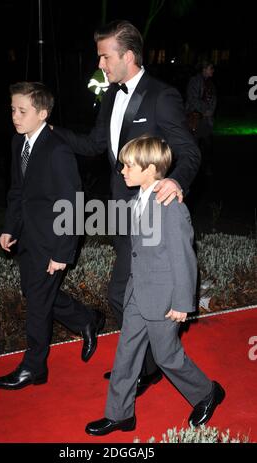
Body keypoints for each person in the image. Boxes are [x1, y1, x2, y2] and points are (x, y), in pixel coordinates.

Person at [53, 20, 201, 396]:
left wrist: (176, 180)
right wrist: (50, 133)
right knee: (123, 296)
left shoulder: (161, 95)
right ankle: (146, 367)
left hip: (154, 214)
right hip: (122, 213)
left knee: (125, 294)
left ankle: (153, 366)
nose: (101, 63)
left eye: (105, 56)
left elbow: (189, 151)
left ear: (128, 56)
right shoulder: (110, 96)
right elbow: (92, 145)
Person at [86, 135, 225, 436]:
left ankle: (207, 392)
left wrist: (181, 302)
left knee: (166, 357)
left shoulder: (171, 206)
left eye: (128, 165)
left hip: (164, 296)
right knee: (126, 351)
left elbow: (184, 257)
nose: (122, 170)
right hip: (138, 291)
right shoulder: (138, 199)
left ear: (150, 169)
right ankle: (120, 414)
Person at [0, 81, 105, 390]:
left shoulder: (58, 150)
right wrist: (9, 227)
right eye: (13, 109)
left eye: (23, 111)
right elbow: (18, 191)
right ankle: (86, 320)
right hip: (28, 236)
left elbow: (73, 202)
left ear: (42, 114)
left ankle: (33, 367)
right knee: (36, 294)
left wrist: (62, 253)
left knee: (38, 304)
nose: (15, 116)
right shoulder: (19, 143)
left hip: (54, 239)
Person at [185, 60, 217, 175]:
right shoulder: (195, 81)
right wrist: (205, 110)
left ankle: (204, 168)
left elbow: (214, 99)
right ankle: (194, 170)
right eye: (210, 68)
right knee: (195, 145)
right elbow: (192, 99)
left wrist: (210, 111)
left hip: (205, 119)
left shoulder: (210, 83)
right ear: (204, 69)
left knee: (208, 145)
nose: (212, 70)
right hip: (196, 119)